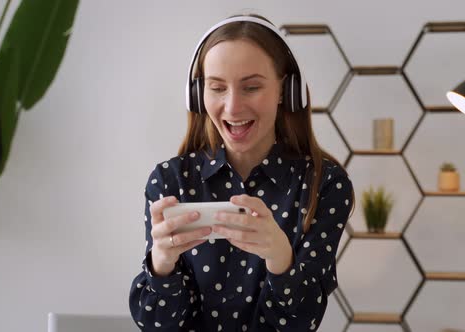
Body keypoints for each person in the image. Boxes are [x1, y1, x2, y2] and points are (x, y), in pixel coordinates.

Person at [129, 14, 354, 331]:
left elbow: (300, 323)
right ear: (198, 95)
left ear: (285, 91)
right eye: (217, 87)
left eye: (251, 87)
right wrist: (161, 266)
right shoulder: (169, 181)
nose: (232, 108)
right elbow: (157, 324)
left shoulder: (325, 184)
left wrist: (280, 258)